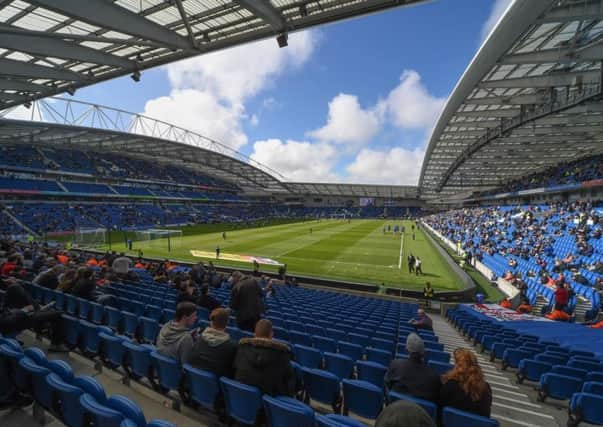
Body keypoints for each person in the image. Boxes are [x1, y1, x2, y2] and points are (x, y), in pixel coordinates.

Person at [0, 278, 67, 352]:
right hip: (20, 319)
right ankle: (56, 344)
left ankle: (40, 330)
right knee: (57, 314)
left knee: (47, 311)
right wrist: (24, 310)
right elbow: (6, 318)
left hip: (19, 315)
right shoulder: (14, 288)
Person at [234, 319, 294, 396]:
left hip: (242, 397)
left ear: (255, 333)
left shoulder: (242, 348)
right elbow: (289, 380)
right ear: (271, 334)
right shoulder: (282, 354)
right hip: (271, 402)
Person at [384, 333, 441, 402]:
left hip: (395, 408)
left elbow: (387, 384)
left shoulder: (395, 364)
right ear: (423, 353)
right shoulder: (435, 377)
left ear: (406, 349)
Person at [440, 348, 492, 417]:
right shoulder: (485, 389)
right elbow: (486, 416)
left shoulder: (450, 384)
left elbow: (439, 409)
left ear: (457, 366)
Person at [188, 308, 237, 378]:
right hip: (216, 385)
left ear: (211, 321)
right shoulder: (232, 346)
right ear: (227, 322)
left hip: (193, 381)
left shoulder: (198, 337)